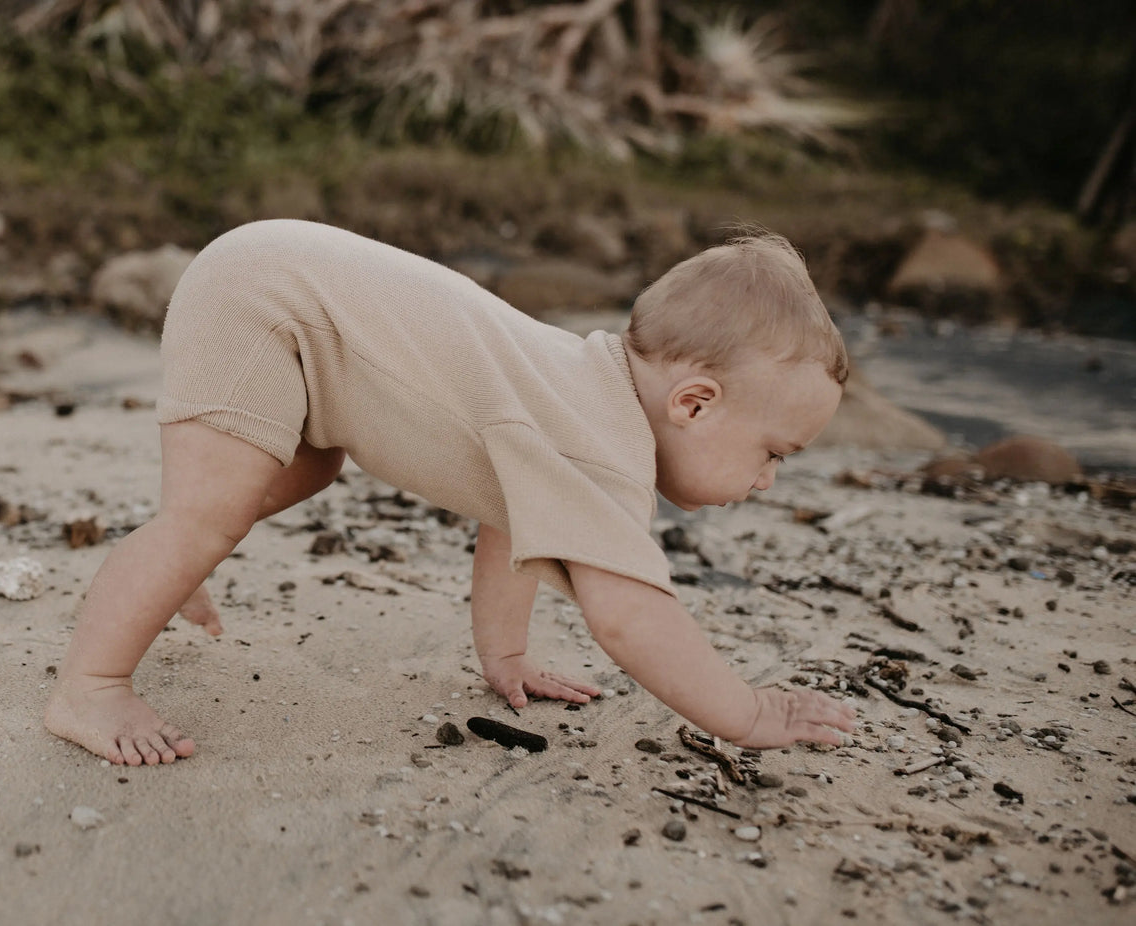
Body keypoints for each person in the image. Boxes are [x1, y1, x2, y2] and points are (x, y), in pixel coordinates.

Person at [44, 219, 858, 766]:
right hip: (267, 300)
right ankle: (91, 687)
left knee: (298, 470)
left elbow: (515, 516)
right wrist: (744, 714)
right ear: (693, 402)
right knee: (204, 515)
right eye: (771, 452)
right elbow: (630, 616)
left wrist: (503, 655)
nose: (767, 478)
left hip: (281, 281)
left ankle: (166, 566)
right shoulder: (601, 442)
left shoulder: (579, 390)